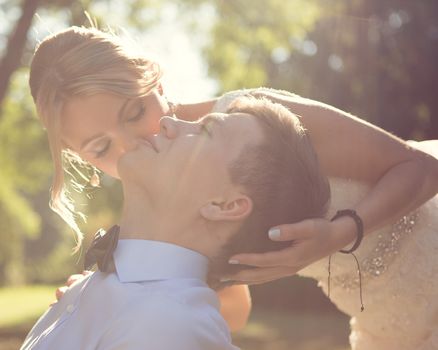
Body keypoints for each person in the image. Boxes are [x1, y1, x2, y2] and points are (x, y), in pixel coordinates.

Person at [29, 26, 438, 348]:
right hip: (382, 317)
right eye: (101, 147)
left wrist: (339, 233)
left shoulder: (254, 123)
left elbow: (421, 168)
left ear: (151, 80)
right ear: (82, 159)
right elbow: (231, 311)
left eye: (135, 112)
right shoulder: (170, 202)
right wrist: (103, 297)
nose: (132, 146)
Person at [21, 97, 330, 350]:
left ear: (225, 206)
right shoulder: (91, 288)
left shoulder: (170, 329)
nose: (166, 123)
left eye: (206, 131)